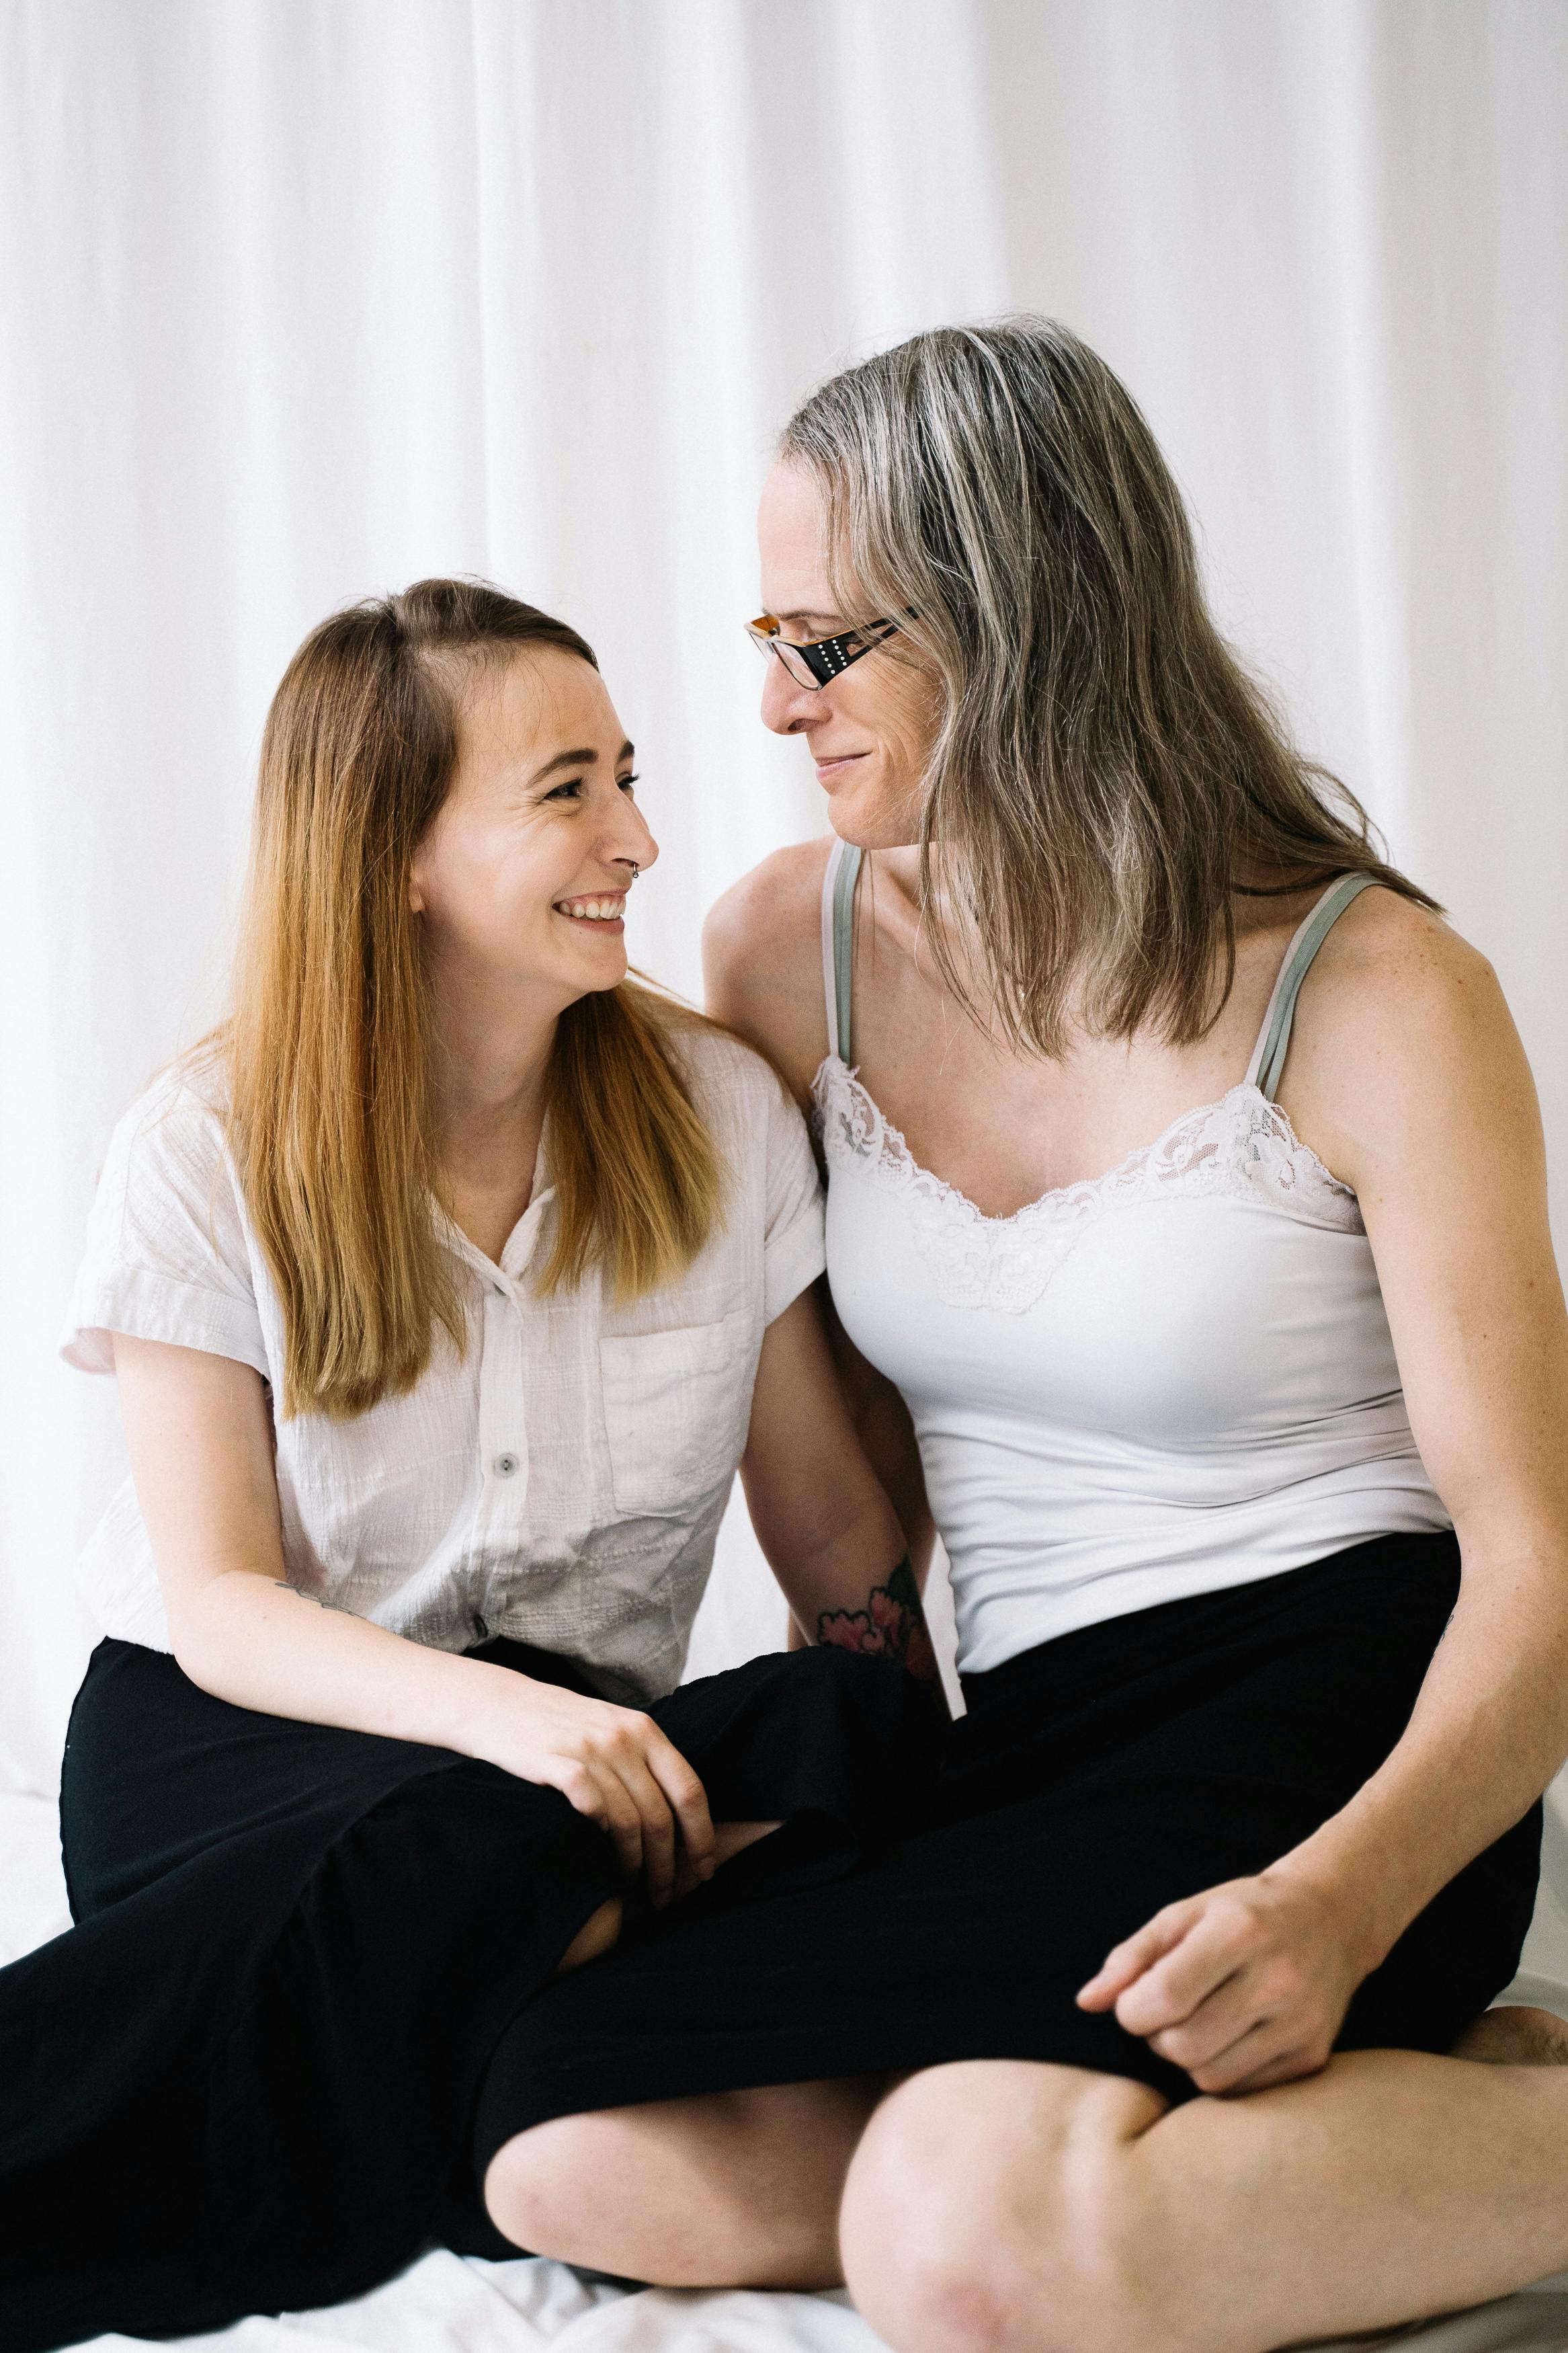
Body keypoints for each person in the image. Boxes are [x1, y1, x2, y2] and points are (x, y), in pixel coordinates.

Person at [466, 323, 1568, 2352]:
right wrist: (843, 1764)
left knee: (958, 2238)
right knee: (562, 2133)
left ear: (1021, 616)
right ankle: (1378, 2116)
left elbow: (1542, 1565)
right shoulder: (782, 953)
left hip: (1334, 1718)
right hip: (1041, 1732)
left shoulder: (1380, 983)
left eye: (829, 645)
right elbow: (857, 1507)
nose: (777, 705)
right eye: (766, 637)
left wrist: (1339, 1902)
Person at [0, 579, 942, 2353]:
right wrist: (513, 1734)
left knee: (848, 1729)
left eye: (631, 776)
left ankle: (497, 2031)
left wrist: (899, 1818)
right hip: (242, 1762)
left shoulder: (720, 1118)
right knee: (490, 1848)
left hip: (572, 1794)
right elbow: (219, 1604)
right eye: (569, 789)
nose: (640, 837)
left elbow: (835, 1539)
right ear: (395, 852)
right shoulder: (203, 1149)